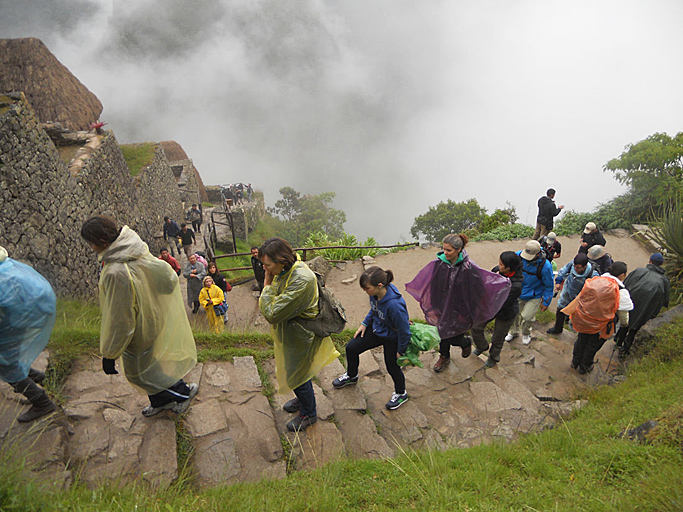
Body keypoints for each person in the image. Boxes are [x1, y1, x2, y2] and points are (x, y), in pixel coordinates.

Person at [81, 215, 198, 417]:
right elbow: (166, 278)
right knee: (150, 364)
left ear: (102, 242)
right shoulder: (133, 248)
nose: (90, 248)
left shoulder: (117, 271)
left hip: (140, 327)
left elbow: (121, 319)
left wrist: (110, 353)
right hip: (151, 315)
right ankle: (161, 400)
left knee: (140, 374)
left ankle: (182, 394)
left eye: (90, 243)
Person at [258, 237, 339, 432]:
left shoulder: (301, 279)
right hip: (292, 332)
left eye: (268, 265)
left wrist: (267, 283)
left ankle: (309, 414)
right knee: (295, 371)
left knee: (299, 374)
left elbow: (272, 313)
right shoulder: (288, 269)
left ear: (282, 260)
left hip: (302, 335)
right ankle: (302, 399)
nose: (265, 269)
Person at [405, 233, 511, 373]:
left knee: (454, 336)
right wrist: (433, 304)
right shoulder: (439, 264)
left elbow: (479, 289)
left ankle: (465, 343)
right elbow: (432, 285)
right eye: (444, 249)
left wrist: (470, 309)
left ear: (459, 249)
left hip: (460, 310)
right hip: (441, 306)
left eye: (449, 250)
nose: (445, 253)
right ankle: (444, 357)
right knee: (442, 333)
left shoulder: (469, 268)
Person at [332, 267, 411, 410]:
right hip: (377, 329)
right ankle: (351, 375)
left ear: (379, 286)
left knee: (392, 367)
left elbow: (404, 330)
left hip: (392, 338)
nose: (365, 291)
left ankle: (401, 393)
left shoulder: (395, 305)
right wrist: (364, 323)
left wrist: (401, 350)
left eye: (367, 288)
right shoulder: (374, 294)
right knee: (351, 348)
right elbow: (374, 309)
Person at [0, 246, 58, 423]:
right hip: (36, 304)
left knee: (4, 363)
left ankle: (42, 402)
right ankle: (38, 377)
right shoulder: (6, 265)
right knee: (9, 352)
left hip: (23, 313)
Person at [563, 261, 633, 374]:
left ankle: (575, 361)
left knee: (581, 340)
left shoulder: (596, 280)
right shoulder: (621, 291)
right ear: (622, 275)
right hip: (602, 325)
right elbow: (623, 313)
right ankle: (584, 366)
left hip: (586, 318)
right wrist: (624, 324)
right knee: (592, 345)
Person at [471, 251, 523, 368]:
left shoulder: (516, 286)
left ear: (508, 268)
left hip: (505, 311)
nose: (498, 265)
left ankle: (493, 357)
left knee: (497, 338)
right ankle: (482, 346)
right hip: (490, 305)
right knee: (476, 327)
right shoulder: (497, 270)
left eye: (501, 264)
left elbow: (502, 302)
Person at [615, 253, 670, 358]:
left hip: (631, 303)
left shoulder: (638, 271)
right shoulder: (664, 280)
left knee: (625, 322)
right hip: (647, 308)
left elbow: (625, 285)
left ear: (650, 262)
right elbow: (665, 299)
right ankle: (624, 351)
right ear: (661, 264)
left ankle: (618, 340)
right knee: (635, 327)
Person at [505, 240, 554, 346]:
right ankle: (513, 332)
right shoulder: (518, 256)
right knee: (514, 314)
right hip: (519, 292)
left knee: (527, 316)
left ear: (538, 254)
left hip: (534, 295)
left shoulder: (545, 266)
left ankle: (526, 333)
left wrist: (546, 302)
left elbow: (549, 285)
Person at [546, 253, 598, 335]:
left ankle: (577, 332)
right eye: (575, 266)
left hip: (580, 297)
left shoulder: (593, 274)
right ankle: (557, 328)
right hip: (567, 291)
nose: (575, 268)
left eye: (578, 268)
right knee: (560, 309)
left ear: (584, 266)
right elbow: (563, 271)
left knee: (578, 315)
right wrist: (558, 282)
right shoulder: (572, 264)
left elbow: (594, 290)